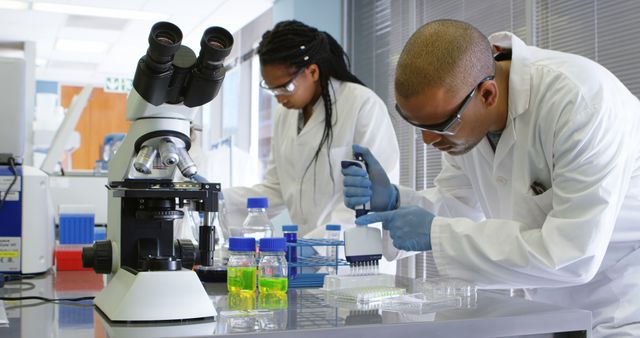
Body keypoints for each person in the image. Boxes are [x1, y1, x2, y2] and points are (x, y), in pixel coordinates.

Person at [342, 19, 640, 337]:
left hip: (621, 299)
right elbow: (461, 206)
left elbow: (571, 254)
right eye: (419, 127)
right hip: (545, 304)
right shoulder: (466, 115)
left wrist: (436, 234)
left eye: (440, 126)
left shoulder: (581, 104)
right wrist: (397, 202)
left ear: (487, 94)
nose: (429, 142)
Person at [222, 20, 399, 243]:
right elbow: (276, 189)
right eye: (271, 88)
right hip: (306, 254)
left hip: (352, 255)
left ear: (312, 71)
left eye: (284, 87)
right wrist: (218, 199)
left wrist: (317, 245)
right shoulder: (285, 115)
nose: (278, 97)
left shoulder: (362, 104)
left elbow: (372, 198)